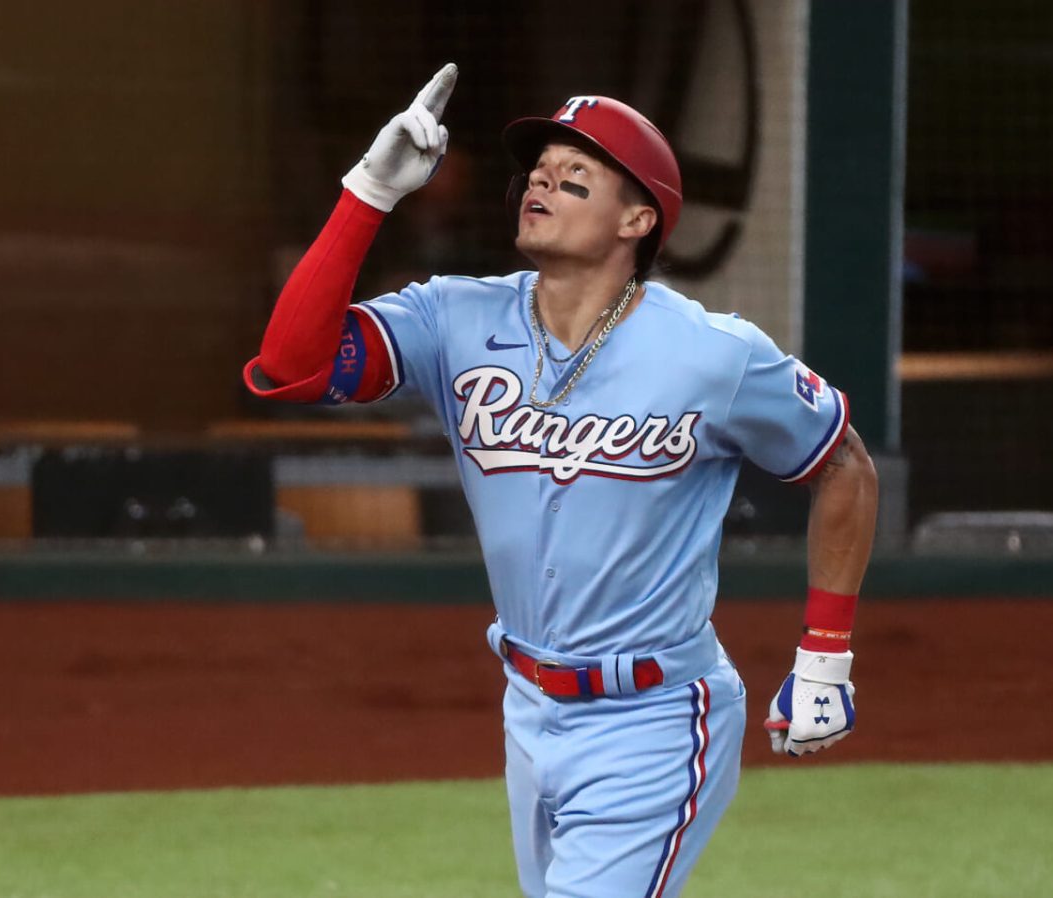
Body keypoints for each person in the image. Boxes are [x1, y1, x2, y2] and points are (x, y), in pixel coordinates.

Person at [245, 64, 878, 898]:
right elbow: (292, 368)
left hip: (654, 720)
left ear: (638, 219)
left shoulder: (713, 354)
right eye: (536, 175)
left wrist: (825, 654)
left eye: (574, 179)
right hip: (528, 708)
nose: (541, 186)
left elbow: (845, 464)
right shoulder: (453, 319)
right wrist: (367, 192)